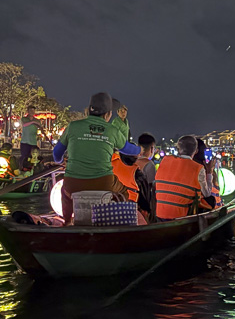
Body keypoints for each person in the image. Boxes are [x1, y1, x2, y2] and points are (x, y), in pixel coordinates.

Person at [53, 92, 138, 222]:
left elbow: (56, 153)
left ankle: (68, 221)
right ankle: (113, 220)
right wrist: (140, 150)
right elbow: (128, 149)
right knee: (123, 192)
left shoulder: (73, 126)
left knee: (65, 191)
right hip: (103, 183)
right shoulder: (112, 130)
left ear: (88, 111)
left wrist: (59, 161)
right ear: (108, 114)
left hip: (73, 184)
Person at [153, 135, 215, 220]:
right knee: (210, 200)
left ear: (178, 149)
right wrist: (209, 172)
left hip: (160, 214)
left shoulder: (165, 160)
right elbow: (207, 193)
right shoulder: (198, 168)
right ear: (196, 151)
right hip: (180, 217)